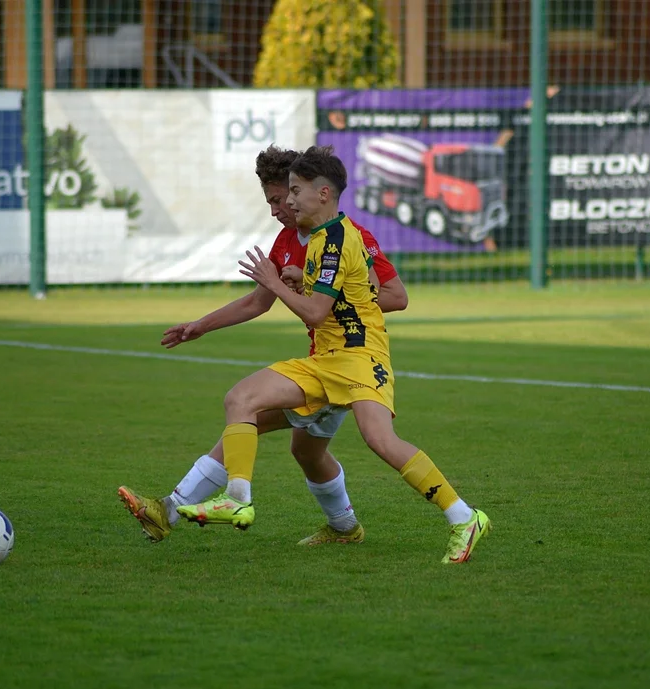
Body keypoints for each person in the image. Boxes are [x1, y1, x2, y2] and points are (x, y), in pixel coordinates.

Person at [176, 145, 491, 564]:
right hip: (326, 357)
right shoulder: (321, 237)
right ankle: (237, 499)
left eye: (292, 192)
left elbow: (318, 309)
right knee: (243, 400)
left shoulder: (339, 239)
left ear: (322, 193)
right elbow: (318, 295)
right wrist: (292, 281)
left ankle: (464, 516)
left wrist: (278, 282)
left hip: (360, 356)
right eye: (282, 194)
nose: (285, 203)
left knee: (380, 440)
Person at [117, 145, 408, 546]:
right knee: (304, 451)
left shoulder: (348, 237)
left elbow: (396, 295)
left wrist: (316, 293)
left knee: (246, 411)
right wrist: (201, 326)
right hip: (322, 361)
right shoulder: (287, 241)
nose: (276, 208)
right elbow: (259, 300)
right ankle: (344, 528)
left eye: (279, 198)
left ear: (302, 189)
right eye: (273, 200)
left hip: (347, 363)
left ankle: (169, 510)